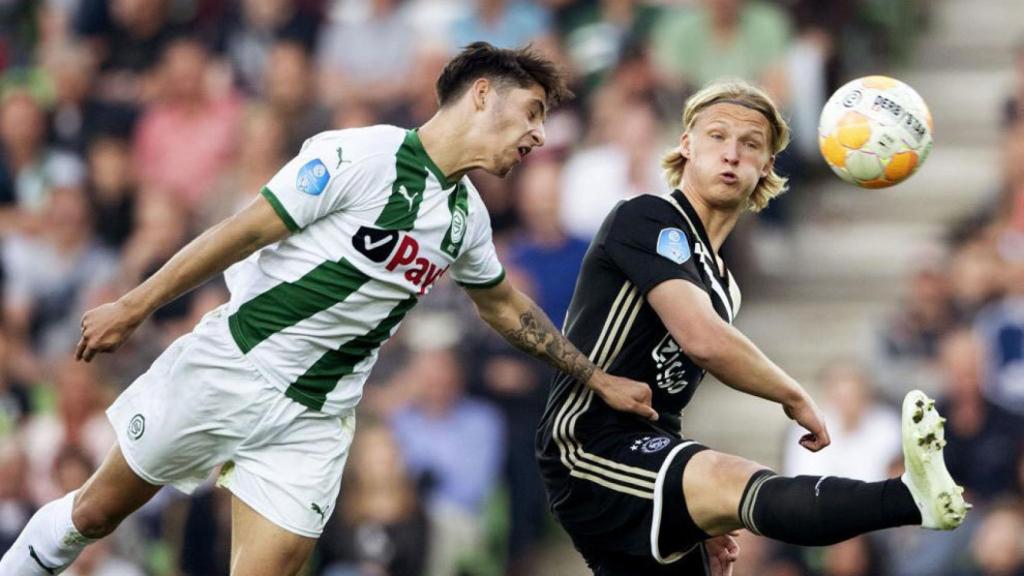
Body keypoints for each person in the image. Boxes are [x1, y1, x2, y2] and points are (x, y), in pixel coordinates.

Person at [0, 41, 658, 576]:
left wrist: (594, 376)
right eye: (534, 111)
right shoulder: (359, 154)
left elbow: (507, 309)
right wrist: (135, 303)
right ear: (482, 94)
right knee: (95, 514)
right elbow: (246, 229)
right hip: (234, 366)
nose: (539, 134)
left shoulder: (466, 221)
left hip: (315, 417)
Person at [535, 79, 971, 576]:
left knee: (727, 490)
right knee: (735, 478)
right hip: (586, 448)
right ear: (686, 146)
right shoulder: (646, 218)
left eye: (750, 145)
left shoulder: (724, 285)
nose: (732, 154)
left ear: (766, 166)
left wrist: (695, 506)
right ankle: (909, 499)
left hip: (643, 456)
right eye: (717, 136)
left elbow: (668, 398)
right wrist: (794, 395)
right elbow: (703, 341)